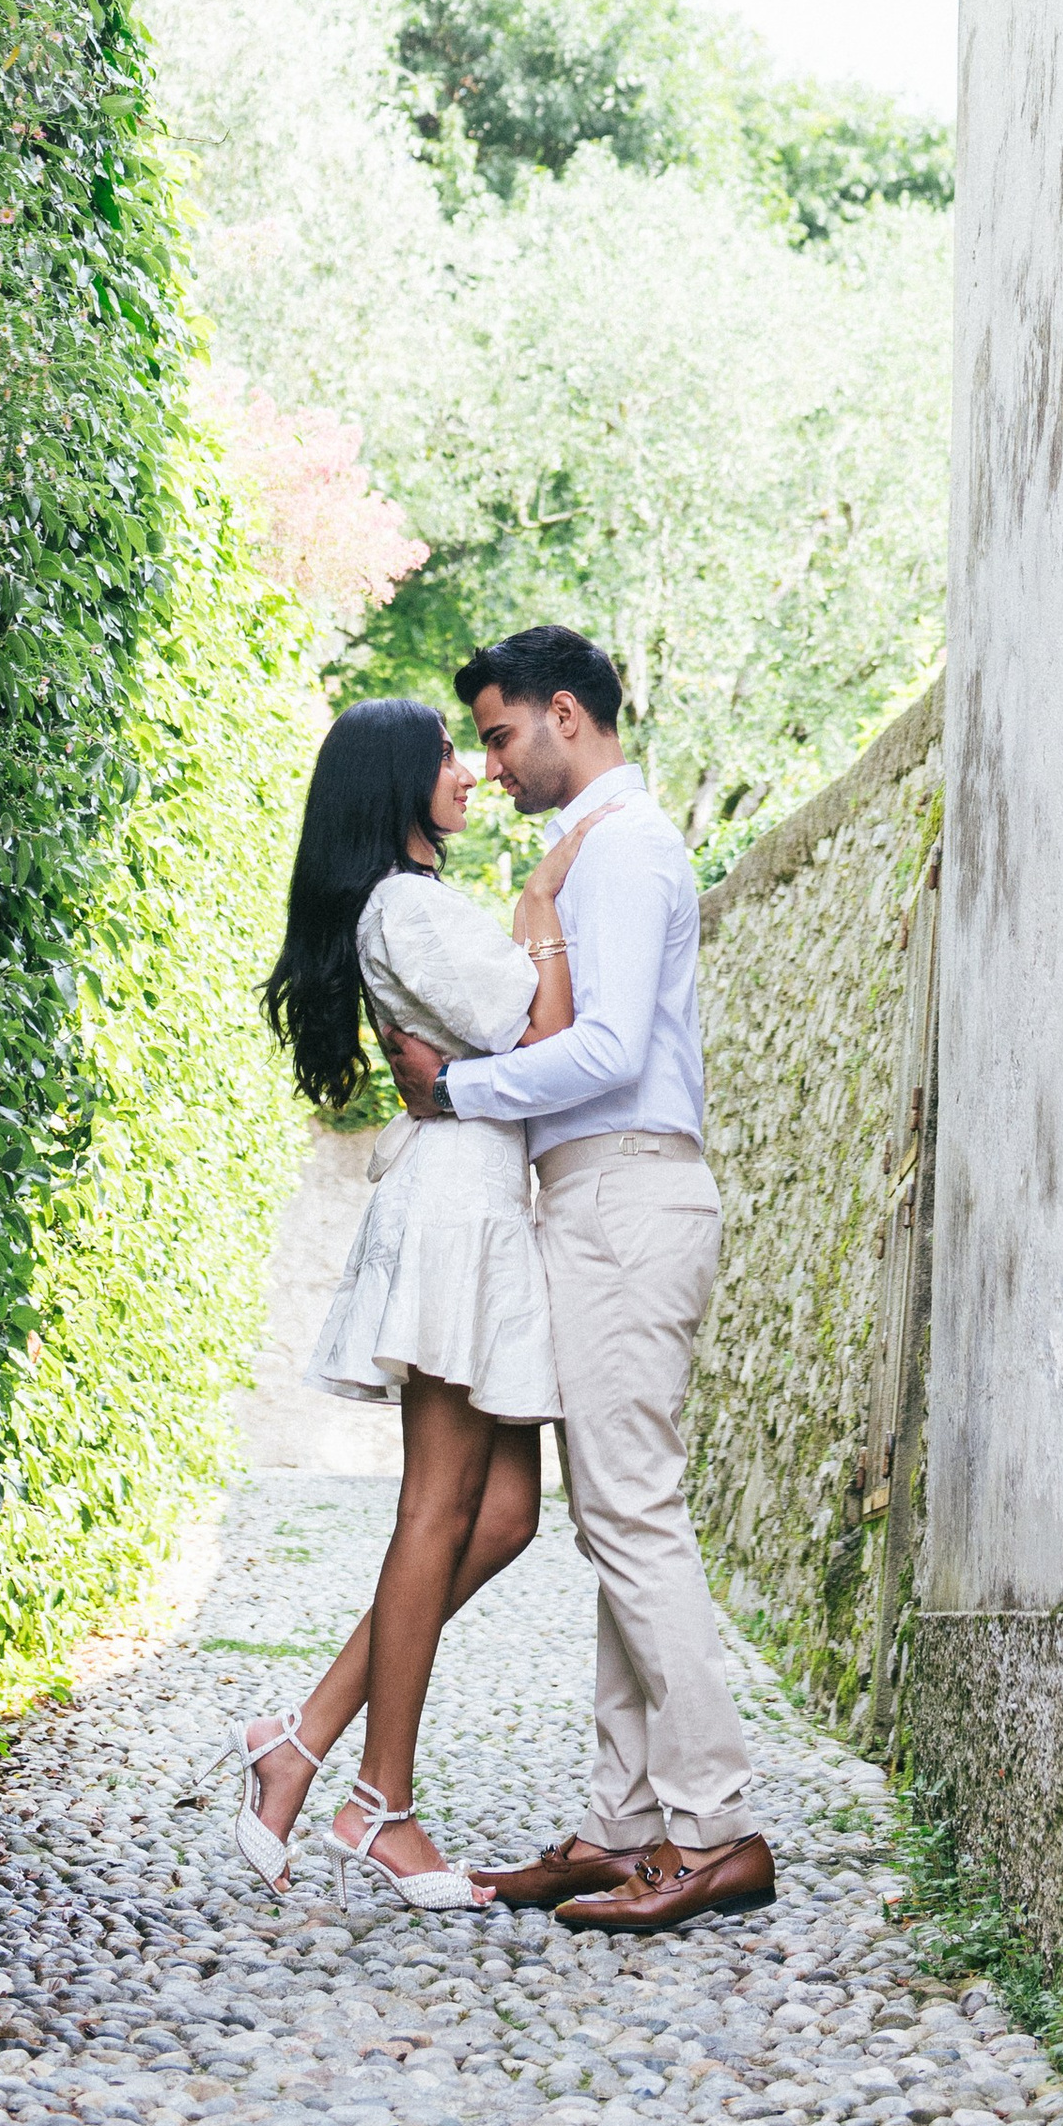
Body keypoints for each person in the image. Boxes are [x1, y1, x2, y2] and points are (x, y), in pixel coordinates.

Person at [381, 622, 776, 1938]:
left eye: (499, 736)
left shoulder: (625, 846)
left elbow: (604, 1048)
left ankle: (715, 1828)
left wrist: (464, 1093)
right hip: (603, 1193)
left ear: (565, 713)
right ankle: (629, 1827)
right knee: (618, 1514)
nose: (490, 766)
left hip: (620, 1189)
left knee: (633, 1516)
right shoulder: (603, 851)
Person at [234, 695, 585, 1911]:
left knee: (502, 1517)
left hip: (479, 1197)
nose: (469, 773)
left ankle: (303, 1733)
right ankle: (381, 1798)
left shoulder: (407, 906)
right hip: (456, 1211)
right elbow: (540, 1027)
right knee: (440, 1507)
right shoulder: (410, 905)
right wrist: (541, 919)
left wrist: (480, 1061)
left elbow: (494, 1061)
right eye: (446, 755)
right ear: (396, 781)